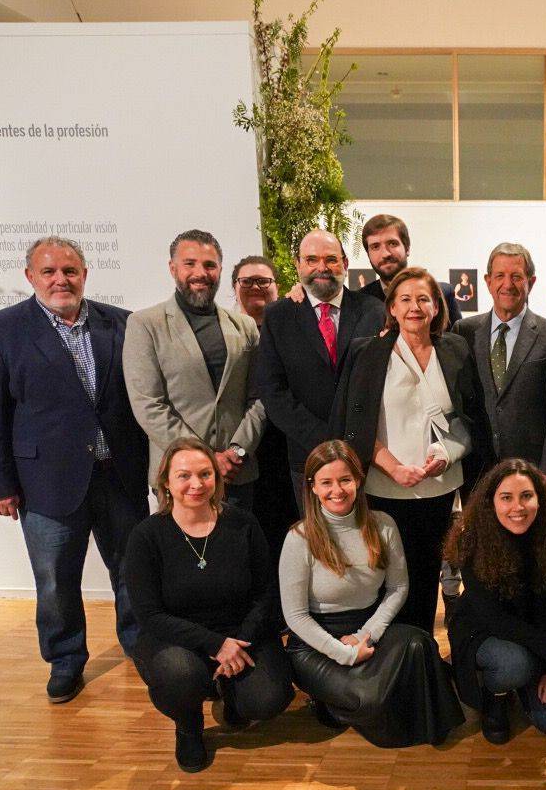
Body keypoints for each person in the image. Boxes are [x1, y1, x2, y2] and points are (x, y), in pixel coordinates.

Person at [0, 236, 149, 704]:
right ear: (30, 277)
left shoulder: (122, 324)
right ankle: (65, 660)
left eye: (70, 270)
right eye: (49, 272)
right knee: (55, 579)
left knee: (132, 569)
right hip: (45, 482)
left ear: (85, 274)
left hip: (119, 475)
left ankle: (140, 644)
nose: (61, 280)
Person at [332, 267, 489, 632]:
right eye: (405, 299)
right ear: (392, 307)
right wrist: (394, 468)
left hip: (438, 487)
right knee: (384, 579)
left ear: (437, 307)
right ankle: (389, 657)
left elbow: (469, 416)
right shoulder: (368, 352)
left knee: (424, 576)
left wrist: (446, 455)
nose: (414, 307)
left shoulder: (454, 349)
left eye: (423, 299)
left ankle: (422, 653)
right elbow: (355, 424)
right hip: (383, 488)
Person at [123, 438, 293, 773]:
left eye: (205, 474)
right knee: (180, 675)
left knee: (270, 697)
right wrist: (216, 645)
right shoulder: (146, 536)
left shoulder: (243, 524)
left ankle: (233, 694)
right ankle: (188, 727)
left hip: (241, 634)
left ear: (217, 478)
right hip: (177, 640)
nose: (196, 484)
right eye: (184, 476)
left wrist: (239, 641)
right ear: (166, 483)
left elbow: (265, 593)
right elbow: (150, 615)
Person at [280, 440, 464, 747]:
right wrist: (345, 653)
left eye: (345, 480)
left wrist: (368, 634)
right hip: (316, 643)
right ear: (312, 487)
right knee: (371, 697)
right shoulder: (298, 538)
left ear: (358, 481)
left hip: (366, 630)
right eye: (326, 482)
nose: (337, 490)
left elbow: (397, 588)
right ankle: (331, 702)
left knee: (420, 644)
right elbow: (296, 616)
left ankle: (423, 724)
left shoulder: (383, 525)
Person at [444, 458, 546, 744]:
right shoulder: (472, 539)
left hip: (536, 634)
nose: (517, 508)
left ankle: (525, 679)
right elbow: (493, 619)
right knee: (513, 664)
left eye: (526, 496)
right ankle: (495, 695)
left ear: (540, 499)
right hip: (485, 631)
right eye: (506, 498)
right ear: (491, 502)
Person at [123, 230, 266, 509]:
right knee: (182, 553)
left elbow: (259, 397)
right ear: (173, 268)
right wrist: (206, 459)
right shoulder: (145, 325)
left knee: (235, 552)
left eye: (209, 265)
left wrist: (237, 450)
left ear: (220, 270)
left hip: (237, 473)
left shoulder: (245, 326)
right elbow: (148, 405)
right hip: (179, 476)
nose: (200, 273)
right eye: (190, 264)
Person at [256, 229, 386, 505]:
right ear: (298, 265)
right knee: (319, 543)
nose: (322, 268)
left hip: (366, 456)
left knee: (368, 541)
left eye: (330, 259)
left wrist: (354, 442)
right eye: (311, 260)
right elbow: (272, 390)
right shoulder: (278, 316)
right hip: (308, 456)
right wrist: (325, 440)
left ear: (345, 264)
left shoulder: (374, 311)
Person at [454, 241, 546, 479]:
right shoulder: (464, 331)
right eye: (500, 276)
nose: (507, 285)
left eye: (516, 277)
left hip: (531, 472)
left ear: (531, 282)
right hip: (477, 471)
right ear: (488, 282)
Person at [230, 255, 299, 562]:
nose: (255, 287)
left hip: (285, 444)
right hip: (243, 446)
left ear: (277, 286)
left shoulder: (292, 322)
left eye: (263, 281)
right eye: (247, 281)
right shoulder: (226, 332)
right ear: (235, 287)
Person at [358, 213, 462, 327]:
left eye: (392, 243)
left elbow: (455, 341)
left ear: (407, 248)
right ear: (368, 254)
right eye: (375, 247)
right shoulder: (359, 302)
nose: (385, 254)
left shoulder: (442, 293)